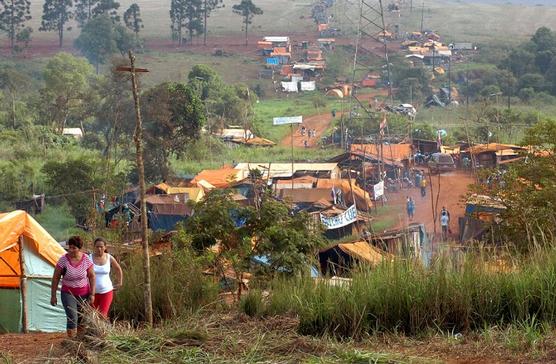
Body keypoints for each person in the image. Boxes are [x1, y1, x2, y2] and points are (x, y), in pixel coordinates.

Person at [50, 236, 95, 338]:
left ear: (79, 248)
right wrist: (53, 295)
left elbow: (92, 277)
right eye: (69, 247)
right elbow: (56, 278)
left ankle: (80, 339)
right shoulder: (63, 260)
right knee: (72, 317)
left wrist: (92, 294)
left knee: (81, 317)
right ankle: (72, 341)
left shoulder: (86, 260)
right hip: (68, 293)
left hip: (84, 293)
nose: (71, 250)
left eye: (74, 248)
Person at [90, 238, 123, 319]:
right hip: (92, 293)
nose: (99, 249)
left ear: (105, 247)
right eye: (97, 247)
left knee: (102, 315)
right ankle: (93, 331)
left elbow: (118, 269)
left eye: (101, 247)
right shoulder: (88, 258)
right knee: (92, 316)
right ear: (94, 247)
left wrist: (120, 282)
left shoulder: (109, 257)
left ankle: (103, 331)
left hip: (107, 291)